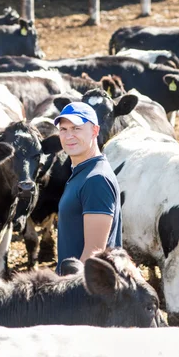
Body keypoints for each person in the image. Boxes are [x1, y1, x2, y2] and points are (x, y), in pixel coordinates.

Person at [54, 102, 122, 271]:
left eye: (76, 128)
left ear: (95, 131)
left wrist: (68, 290)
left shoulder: (96, 180)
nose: (69, 136)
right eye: (64, 129)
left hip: (86, 290)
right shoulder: (82, 173)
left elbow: (93, 253)